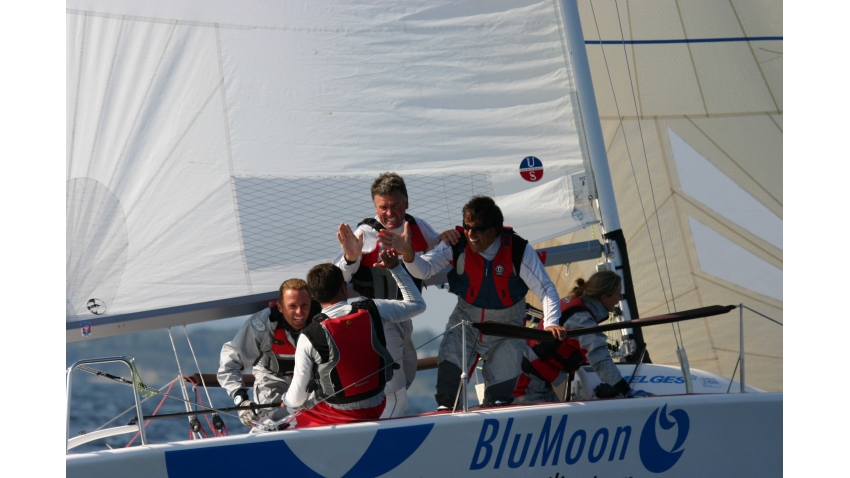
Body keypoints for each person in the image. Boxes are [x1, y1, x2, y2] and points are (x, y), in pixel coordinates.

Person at [389, 195, 566, 410]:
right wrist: (408, 254)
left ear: (495, 230)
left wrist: (551, 323)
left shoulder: (518, 250)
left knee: (498, 400)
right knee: (447, 397)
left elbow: (546, 288)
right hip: (467, 322)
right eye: (467, 227)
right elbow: (423, 270)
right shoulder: (456, 243)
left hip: (507, 330)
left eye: (478, 229)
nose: (471, 234)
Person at [335, 172, 442, 418]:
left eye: (395, 206)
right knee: (396, 393)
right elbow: (338, 277)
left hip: (406, 315)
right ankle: (380, 438)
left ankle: (372, 418)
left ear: (406, 203)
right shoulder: (364, 233)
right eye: (383, 207)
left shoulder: (417, 226)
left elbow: (440, 251)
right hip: (377, 318)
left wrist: (445, 238)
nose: (390, 213)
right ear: (375, 207)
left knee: (408, 373)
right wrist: (351, 257)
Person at [282, 250, 426, 428]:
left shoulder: (309, 336)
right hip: (378, 405)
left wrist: (286, 401)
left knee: (289, 416)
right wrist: (396, 268)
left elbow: (296, 399)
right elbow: (417, 305)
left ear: (314, 296)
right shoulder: (374, 308)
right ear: (343, 288)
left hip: (337, 414)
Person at [513, 271, 654, 403]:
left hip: (531, 379)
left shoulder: (575, 304)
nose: (620, 299)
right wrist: (626, 390)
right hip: (526, 384)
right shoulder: (582, 319)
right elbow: (598, 356)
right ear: (604, 297)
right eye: (618, 295)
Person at [217, 279, 322, 427]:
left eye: (304, 305)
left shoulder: (323, 322)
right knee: (268, 425)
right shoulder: (261, 326)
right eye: (292, 306)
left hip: (312, 384)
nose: (299, 312)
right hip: (272, 385)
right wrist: (241, 401)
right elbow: (228, 365)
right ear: (280, 307)